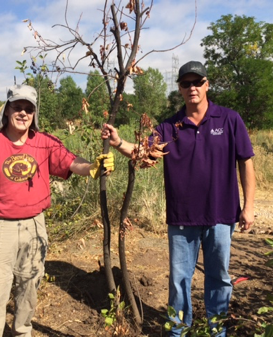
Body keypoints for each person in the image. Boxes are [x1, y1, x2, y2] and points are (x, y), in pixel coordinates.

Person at [101, 61, 255, 336]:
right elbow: (143, 152)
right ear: (180, 89)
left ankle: (216, 331)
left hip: (222, 215)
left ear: (207, 85)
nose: (192, 88)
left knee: (219, 278)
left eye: (198, 82)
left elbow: (246, 162)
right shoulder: (169, 127)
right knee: (180, 280)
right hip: (183, 218)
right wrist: (118, 143)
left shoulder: (229, 119)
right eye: (186, 83)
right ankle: (179, 331)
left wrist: (249, 207)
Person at [0, 84, 114, 337]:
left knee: (28, 291)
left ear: (35, 113)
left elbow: (72, 162)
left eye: (29, 109)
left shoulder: (45, 143)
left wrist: (92, 165)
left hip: (34, 226)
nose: (23, 113)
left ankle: (22, 333)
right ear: (7, 110)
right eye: (17, 107)